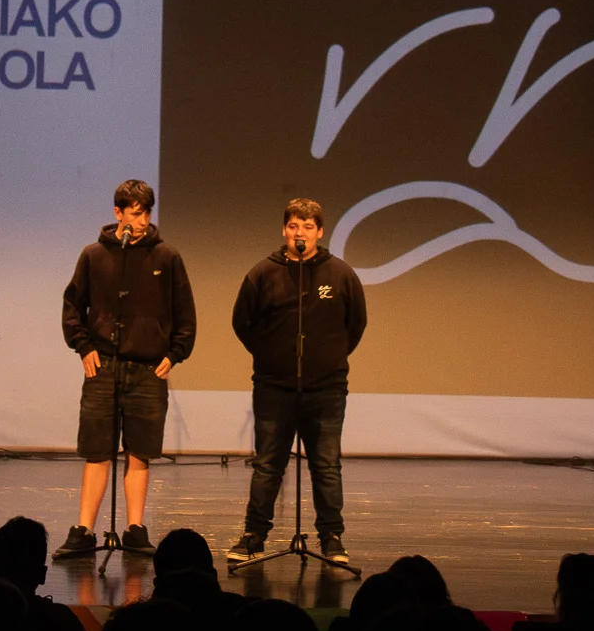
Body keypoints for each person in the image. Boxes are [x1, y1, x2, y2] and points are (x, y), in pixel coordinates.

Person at [55, 179, 196, 558]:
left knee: (140, 452)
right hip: (103, 367)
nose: (141, 220)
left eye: (146, 212)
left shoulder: (166, 257)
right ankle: (84, 530)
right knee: (97, 450)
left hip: (148, 370)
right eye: (134, 212)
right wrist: (84, 346)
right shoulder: (94, 255)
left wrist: (175, 354)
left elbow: (185, 312)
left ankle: (135, 529)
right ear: (118, 213)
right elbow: (73, 307)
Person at [226, 197, 367, 565]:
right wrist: (270, 355)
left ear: (319, 232)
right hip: (274, 387)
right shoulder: (263, 273)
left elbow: (356, 325)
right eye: (293, 226)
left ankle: (332, 538)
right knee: (268, 465)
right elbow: (242, 322)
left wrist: (329, 357)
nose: (299, 233)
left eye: (307, 227)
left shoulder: (340, 274)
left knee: (326, 465)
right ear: (284, 230)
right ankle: (254, 535)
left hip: (326, 389)